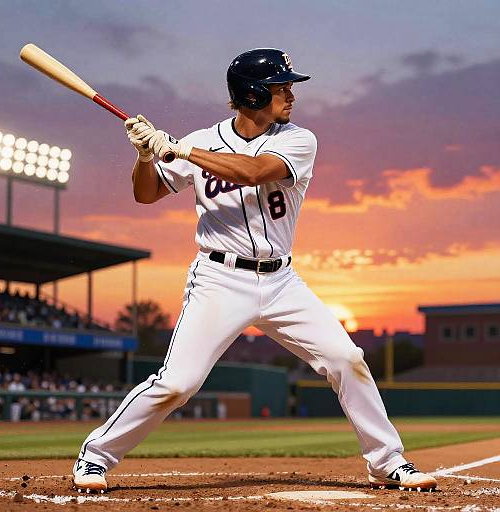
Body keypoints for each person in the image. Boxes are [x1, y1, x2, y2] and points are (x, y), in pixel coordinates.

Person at [72, 48, 437, 494]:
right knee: (178, 384)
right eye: (280, 86)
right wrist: (147, 155)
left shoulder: (297, 139)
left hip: (282, 281)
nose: (290, 94)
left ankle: (386, 461)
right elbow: (146, 196)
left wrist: (181, 148)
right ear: (251, 93)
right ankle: (96, 456)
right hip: (219, 279)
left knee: (347, 358)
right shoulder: (202, 140)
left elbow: (255, 171)